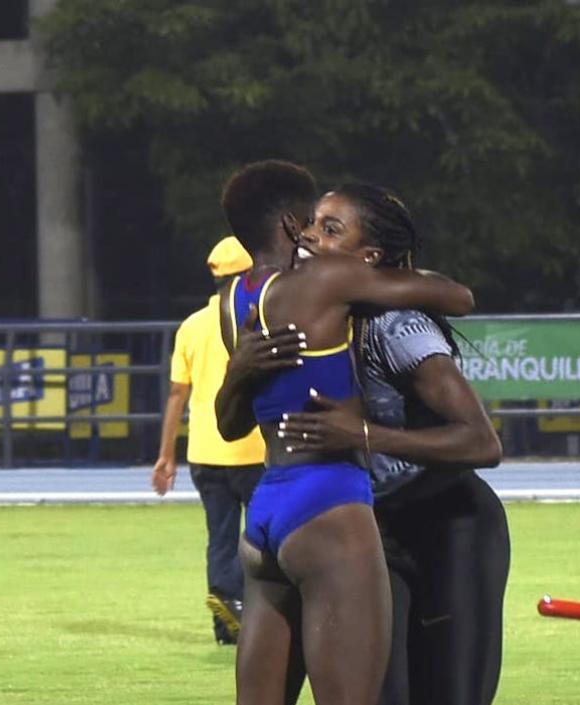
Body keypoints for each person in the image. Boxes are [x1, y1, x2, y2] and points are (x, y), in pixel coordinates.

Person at [212, 160, 475, 705]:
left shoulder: (230, 302)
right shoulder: (327, 280)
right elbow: (458, 298)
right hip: (329, 506)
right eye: (310, 222)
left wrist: (239, 371)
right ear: (289, 224)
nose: (313, 234)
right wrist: (387, 276)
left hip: (264, 516)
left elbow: (229, 423)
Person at [272, 184, 508, 705]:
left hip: (449, 526)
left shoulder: (393, 322)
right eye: (311, 223)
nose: (311, 236)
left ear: (369, 259)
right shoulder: (304, 315)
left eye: (331, 229)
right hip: (368, 530)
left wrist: (361, 436)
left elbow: (481, 441)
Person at [152, 235, 273, 646]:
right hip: (253, 446)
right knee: (263, 535)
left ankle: (226, 618)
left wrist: (166, 456)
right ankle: (258, 613)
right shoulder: (256, 322)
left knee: (219, 535)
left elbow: (176, 395)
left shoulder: (191, 327)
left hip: (204, 451)